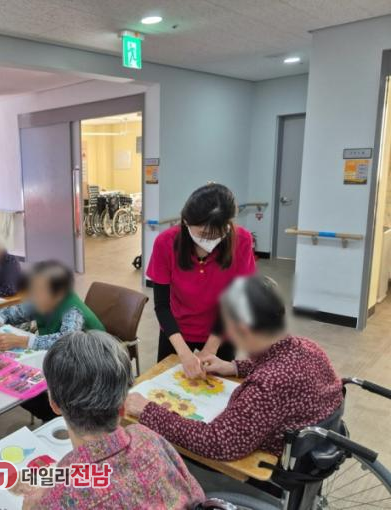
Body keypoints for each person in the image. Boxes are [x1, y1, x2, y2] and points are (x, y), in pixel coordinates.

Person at [125, 275, 343, 461]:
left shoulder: (267, 386)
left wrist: (149, 411)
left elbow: (218, 443)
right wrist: (233, 367)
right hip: (313, 447)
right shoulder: (309, 347)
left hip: (274, 466)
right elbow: (275, 364)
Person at [21, 331, 204, 510]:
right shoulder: (149, 437)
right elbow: (197, 496)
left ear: (54, 405)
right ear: (123, 406)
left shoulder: (55, 498)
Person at [147, 183, 255, 378]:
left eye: (218, 234)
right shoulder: (165, 242)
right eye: (204, 234)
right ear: (186, 221)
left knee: (219, 389)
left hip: (222, 331)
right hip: (176, 331)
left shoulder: (242, 240)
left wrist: (211, 348)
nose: (210, 240)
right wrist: (183, 353)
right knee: (166, 386)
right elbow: (162, 305)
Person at [0, 260, 105, 351]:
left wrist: (22, 341)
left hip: (96, 356)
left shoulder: (73, 309)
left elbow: (66, 342)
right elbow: (13, 312)